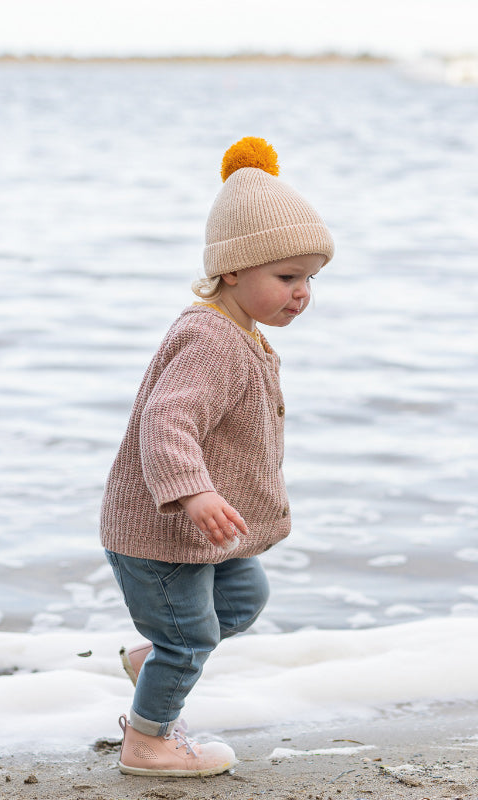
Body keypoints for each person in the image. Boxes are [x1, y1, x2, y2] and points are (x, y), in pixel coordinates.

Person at [100, 136, 334, 777]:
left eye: (310, 277)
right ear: (231, 270)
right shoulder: (210, 338)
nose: (303, 292)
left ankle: (154, 664)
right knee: (191, 636)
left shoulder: (241, 332)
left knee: (241, 597)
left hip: (198, 529)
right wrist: (194, 491)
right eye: (286, 277)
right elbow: (166, 419)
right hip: (160, 526)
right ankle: (147, 743)